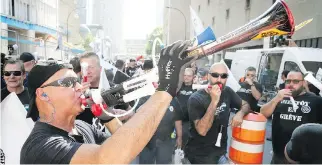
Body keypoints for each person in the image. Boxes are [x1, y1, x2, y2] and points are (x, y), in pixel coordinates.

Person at [20, 40, 197, 164]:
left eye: (78, 81)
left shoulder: (82, 126)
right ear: (43, 95)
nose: (80, 87)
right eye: (68, 83)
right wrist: (165, 90)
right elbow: (104, 159)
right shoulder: (41, 145)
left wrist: (107, 117)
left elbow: (127, 146)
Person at [184, 63, 251, 164]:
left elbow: (245, 105)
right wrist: (214, 101)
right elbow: (202, 130)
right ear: (208, 76)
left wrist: (240, 113)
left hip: (220, 152)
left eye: (223, 76)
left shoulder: (227, 92)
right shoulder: (196, 98)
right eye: (215, 75)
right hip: (199, 155)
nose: (219, 79)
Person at [260, 70, 322, 164]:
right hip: (278, 155)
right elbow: (263, 113)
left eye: (296, 81)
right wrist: (276, 99)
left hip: (302, 158)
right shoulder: (279, 97)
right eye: (288, 81)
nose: (291, 84)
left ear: (303, 83)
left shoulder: (316, 101)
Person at [175, 68, 196, 149]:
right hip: (176, 118)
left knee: (185, 139)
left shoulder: (196, 88)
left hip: (188, 120)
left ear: (193, 77)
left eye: (189, 76)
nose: (186, 77)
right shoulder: (178, 87)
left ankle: (183, 154)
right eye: (184, 75)